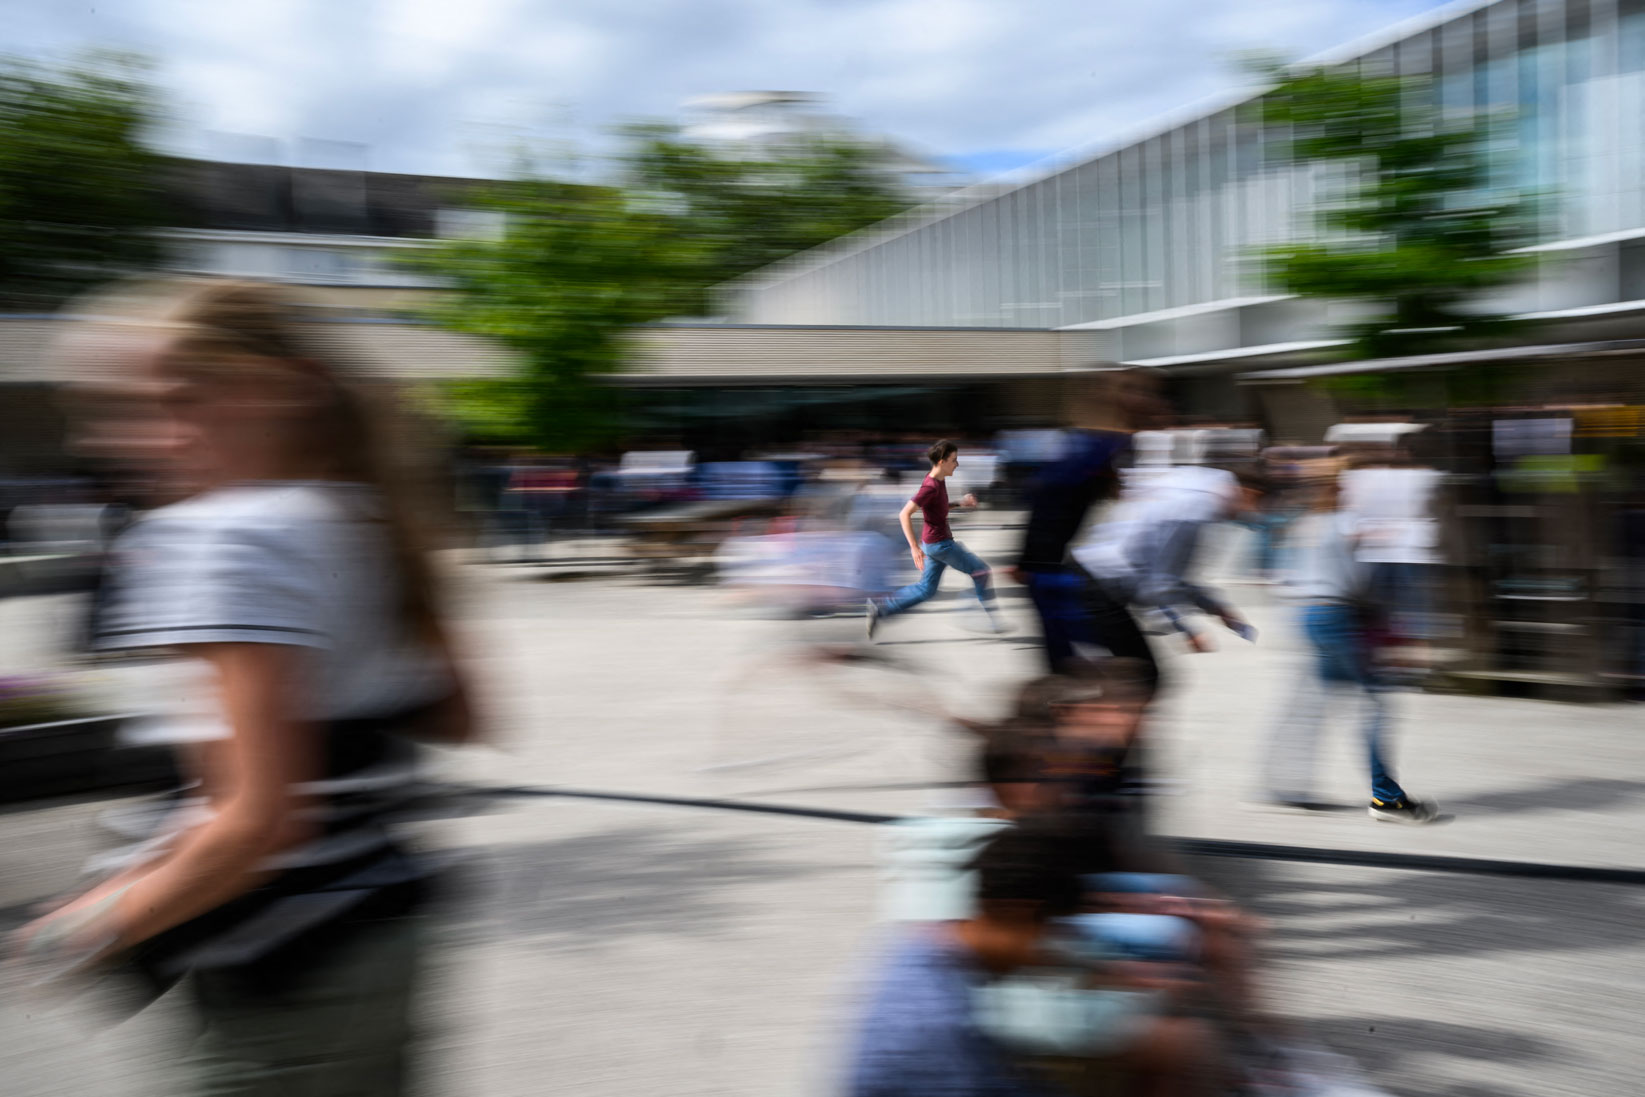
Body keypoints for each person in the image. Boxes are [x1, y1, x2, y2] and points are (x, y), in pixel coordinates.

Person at [13, 279, 476, 1094]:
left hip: (277, 966)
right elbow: (464, 713)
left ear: (284, 388)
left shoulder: (218, 533)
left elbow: (256, 823)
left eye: (178, 400)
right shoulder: (366, 513)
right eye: (115, 410)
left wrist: (77, 932)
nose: (136, 438)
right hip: (383, 940)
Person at [846, 825, 1221, 1097]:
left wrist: (1116, 977)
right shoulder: (940, 1029)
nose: (1053, 949)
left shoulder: (918, 947)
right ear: (1019, 914)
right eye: (1055, 932)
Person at [1260, 463, 1438, 824]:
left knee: (1317, 701)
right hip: (1336, 617)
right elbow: (1365, 582)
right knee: (1373, 705)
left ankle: (1285, 783)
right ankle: (1387, 798)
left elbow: (1282, 577)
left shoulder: (1308, 523)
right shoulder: (1351, 524)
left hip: (1309, 617)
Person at [1071, 465, 1268, 699]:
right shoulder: (1193, 512)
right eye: (1256, 505)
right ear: (1248, 492)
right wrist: (1184, 629)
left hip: (1092, 574)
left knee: (1129, 674)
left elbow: (1169, 577)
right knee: (1142, 677)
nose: (1251, 514)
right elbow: (1157, 586)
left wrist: (1214, 608)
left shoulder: (1198, 489)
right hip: (1098, 583)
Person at [1014, 370, 1166, 671]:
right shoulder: (1104, 446)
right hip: (1061, 574)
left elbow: (1043, 496)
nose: (1151, 401)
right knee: (1132, 669)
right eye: (1142, 393)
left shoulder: (1084, 444)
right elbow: (1048, 498)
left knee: (1068, 665)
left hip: (1054, 569)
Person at [867, 440, 1001, 638]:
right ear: (941, 462)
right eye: (953, 460)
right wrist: (913, 548)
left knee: (926, 590)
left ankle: (881, 609)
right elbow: (904, 513)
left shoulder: (937, 481)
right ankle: (986, 620)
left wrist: (961, 503)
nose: (957, 464)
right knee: (981, 572)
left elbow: (937, 508)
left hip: (932, 545)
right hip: (941, 546)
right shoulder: (930, 486)